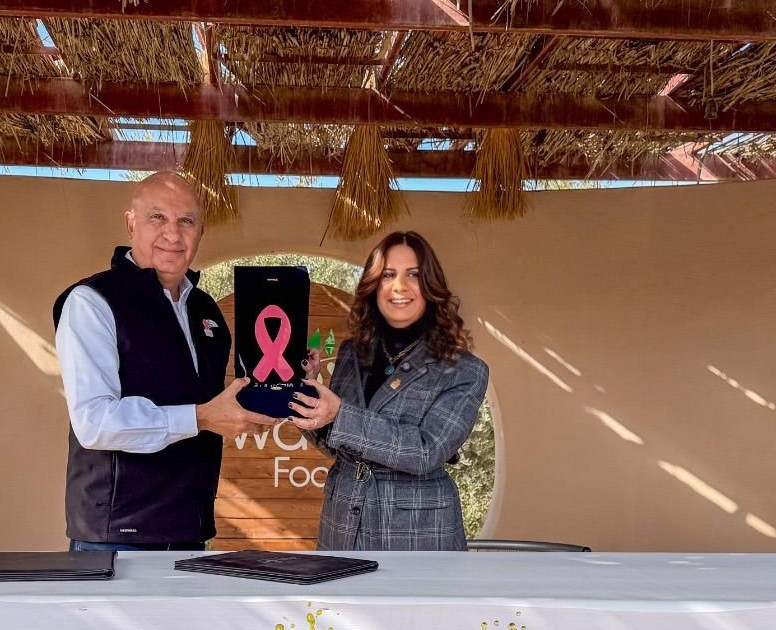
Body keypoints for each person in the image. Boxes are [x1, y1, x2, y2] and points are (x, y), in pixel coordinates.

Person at [53, 172, 275, 550]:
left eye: (186, 221)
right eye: (158, 218)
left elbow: (215, 404)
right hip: (117, 536)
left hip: (190, 530)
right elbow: (94, 421)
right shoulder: (93, 301)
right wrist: (200, 417)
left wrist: (283, 382)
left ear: (201, 232)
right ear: (131, 224)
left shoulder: (205, 310)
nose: (173, 234)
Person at [288, 231, 489, 550]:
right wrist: (307, 391)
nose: (399, 286)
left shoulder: (464, 370)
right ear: (373, 287)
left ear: (431, 287)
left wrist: (339, 413)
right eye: (388, 275)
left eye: (414, 275)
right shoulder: (352, 353)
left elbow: (426, 452)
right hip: (341, 529)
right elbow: (340, 446)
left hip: (417, 536)